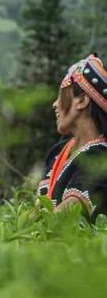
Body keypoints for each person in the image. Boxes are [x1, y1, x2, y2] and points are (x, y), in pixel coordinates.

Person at [38, 54, 107, 219]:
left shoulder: (100, 158)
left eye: (62, 94)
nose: (55, 104)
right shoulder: (59, 152)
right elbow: (38, 211)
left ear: (82, 100)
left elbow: (64, 217)